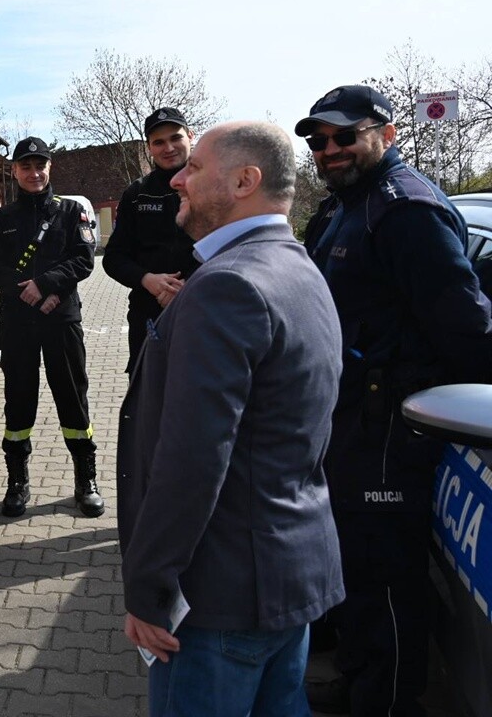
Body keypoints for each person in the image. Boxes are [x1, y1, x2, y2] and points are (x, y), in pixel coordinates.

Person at [118, 121, 345, 717]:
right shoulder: (296, 266)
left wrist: (148, 587)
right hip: (282, 580)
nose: (177, 178)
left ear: (246, 181)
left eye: (194, 167)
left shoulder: (228, 286)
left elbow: (193, 461)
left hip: (220, 597)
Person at [296, 84, 492, 716]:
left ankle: (385, 703)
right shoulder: (342, 207)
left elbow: (466, 329)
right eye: (318, 140)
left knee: (384, 575)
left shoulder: (405, 211)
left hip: (389, 428)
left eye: (344, 136)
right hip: (346, 421)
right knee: (353, 562)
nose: (329, 149)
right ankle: (359, 677)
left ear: (387, 133)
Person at [0, 137, 102, 519]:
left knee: (72, 397)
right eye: (25, 167)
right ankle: (17, 483)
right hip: (18, 321)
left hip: (61, 319)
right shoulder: (2, 219)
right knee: (18, 402)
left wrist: (47, 287)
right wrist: (28, 292)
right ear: (14, 171)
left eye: (40, 166)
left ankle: (86, 480)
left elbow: (83, 261)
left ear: (50, 168)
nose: (34, 174)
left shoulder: (71, 213)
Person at [102, 107, 200, 373]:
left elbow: (230, 250)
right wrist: (149, 281)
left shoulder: (214, 187)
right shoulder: (136, 194)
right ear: (149, 148)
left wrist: (188, 286)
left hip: (203, 313)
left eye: (175, 137)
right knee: (146, 403)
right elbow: (114, 258)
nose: (168, 147)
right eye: (158, 142)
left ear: (190, 136)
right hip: (148, 315)